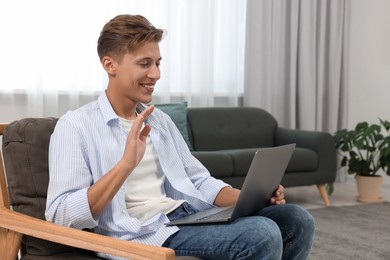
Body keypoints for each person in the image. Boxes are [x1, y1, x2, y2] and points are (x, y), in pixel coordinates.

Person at [45, 14, 315, 260]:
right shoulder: (76, 126)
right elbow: (60, 214)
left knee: (297, 218)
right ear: (109, 64)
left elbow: (199, 180)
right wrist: (125, 165)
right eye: (144, 64)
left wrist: (250, 198)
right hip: (142, 233)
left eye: (158, 63)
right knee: (261, 234)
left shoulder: (158, 120)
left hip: (185, 218)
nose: (156, 74)